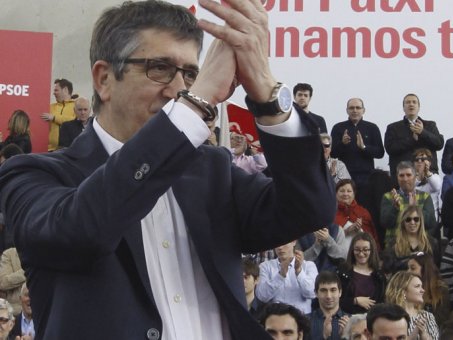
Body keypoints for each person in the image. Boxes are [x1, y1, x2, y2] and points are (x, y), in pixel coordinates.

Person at [0, 1, 336, 338]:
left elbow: (309, 209)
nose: (180, 89)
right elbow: (81, 232)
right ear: (104, 79)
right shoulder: (32, 174)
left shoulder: (212, 171)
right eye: (159, 68)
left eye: (191, 74)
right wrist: (199, 101)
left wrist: (267, 94)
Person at [330, 98, 385, 193]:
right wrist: (343, 144)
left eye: (358, 108)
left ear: (363, 110)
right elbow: (332, 153)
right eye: (351, 108)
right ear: (347, 110)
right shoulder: (338, 128)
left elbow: (380, 153)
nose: (355, 110)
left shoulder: (372, 128)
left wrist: (364, 147)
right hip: (344, 177)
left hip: (367, 177)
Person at [384, 94, 444, 178]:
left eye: (414, 102)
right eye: (408, 102)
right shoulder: (393, 127)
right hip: (402, 176)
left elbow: (439, 144)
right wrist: (411, 140)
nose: (411, 104)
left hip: (428, 175)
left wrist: (423, 132)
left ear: (418, 107)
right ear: (403, 108)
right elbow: (390, 148)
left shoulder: (430, 125)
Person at [380, 162, 437, 245]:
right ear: (397, 177)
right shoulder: (389, 197)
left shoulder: (425, 197)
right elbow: (385, 223)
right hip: (395, 245)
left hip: (419, 245)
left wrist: (415, 208)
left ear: (415, 177)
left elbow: (431, 223)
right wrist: (395, 208)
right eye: (401, 175)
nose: (405, 179)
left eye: (408, 175)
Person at [256, 241, 318, 314]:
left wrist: (299, 271)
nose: (280, 247)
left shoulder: (309, 265)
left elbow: (312, 293)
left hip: (302, 318)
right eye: (276, 244)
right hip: (276, 318)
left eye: (284, 243)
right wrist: (280, 275)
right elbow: (262, 297)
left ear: (294, 242)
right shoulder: (265, 266)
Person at [338, 233, 386, 314]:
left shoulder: (379, 276)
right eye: (357, 249)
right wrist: (355, 301)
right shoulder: (343, 272)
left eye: (365, 249)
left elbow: (382, 302)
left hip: (371, 320)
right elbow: (335, 300)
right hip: (347, 318)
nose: (361, 253)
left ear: (372, 250)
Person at [385, 271, 440, 340]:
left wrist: (424, 335)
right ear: (403, 291)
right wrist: (415, 332)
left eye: (422, 286)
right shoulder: (389, 317)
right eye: (417, 286)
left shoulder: (427, 316)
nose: (423, 290)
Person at [406, 253, 450, 327]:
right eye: (408, 268)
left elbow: (442, 318)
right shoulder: (406, 288)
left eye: (413, 268)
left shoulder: (441, 289)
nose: (408, 272)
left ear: (425, 269)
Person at [335, 179, 379, 247]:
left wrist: (360, 231)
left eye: (349, 191)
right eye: (342, 191)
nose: (345, 194)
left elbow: (372, 239)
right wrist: (347, 231)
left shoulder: (362, 212)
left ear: (354, 194)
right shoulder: (331, 213)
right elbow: (327, 238)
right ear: (336, 193)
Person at [307, 271, 350, 340]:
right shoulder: (306, 321)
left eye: (333, 290)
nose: (328, 296)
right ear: (316, 293)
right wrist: (324, 337)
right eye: (323, 290)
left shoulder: (351, 321)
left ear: (340, 292)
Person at [42, 78, 76, 151]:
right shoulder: (49, 107)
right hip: (49, 150)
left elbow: (74, 120)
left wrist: (54, 118)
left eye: (56, 90)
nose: (54, 93)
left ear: (65, 90)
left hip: (69, 151)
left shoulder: (76, 106)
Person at [413, 148, 442, 220]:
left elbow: (437, 187)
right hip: (414, 219)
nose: (420, 161)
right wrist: (419, 175)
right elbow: (408, 188)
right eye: (417, 160)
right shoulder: (409, 177)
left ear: (429, 162)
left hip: (431, 219)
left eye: (423, 159)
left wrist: (427, 173)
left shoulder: (435, 177)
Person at [0, 247, 25, 315]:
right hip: (17, 311)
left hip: (43, 308)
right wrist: (27, 271)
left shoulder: (44, 253)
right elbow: (3, 283)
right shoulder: (10, 254)